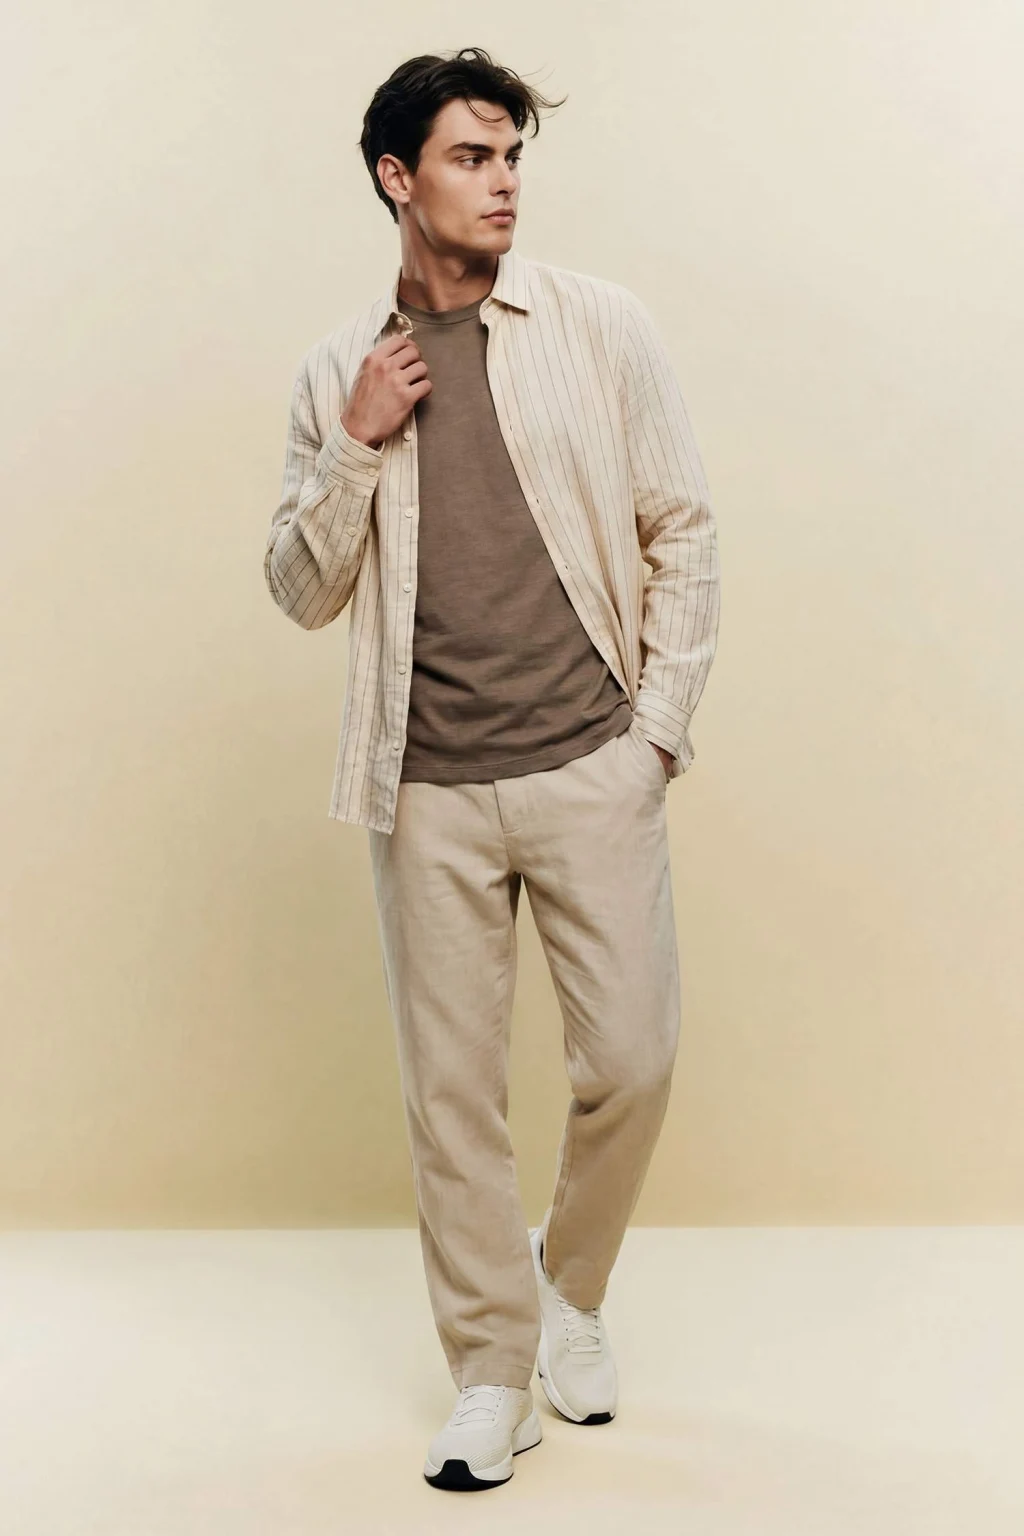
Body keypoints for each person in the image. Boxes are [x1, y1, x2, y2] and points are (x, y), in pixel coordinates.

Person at [264, 46, 721, 1492]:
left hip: (592, 760)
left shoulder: (598, 325)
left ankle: (566, 1288)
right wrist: (355, 447)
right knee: (452, 1098)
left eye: (513, 155)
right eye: (472, 157)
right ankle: (488, 1370)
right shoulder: (338, 372)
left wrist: (657, 731)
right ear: (397, 177)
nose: (504, 182)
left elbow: (681, 525)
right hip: (427, 788)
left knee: (633, 1057)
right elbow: (299, 591)